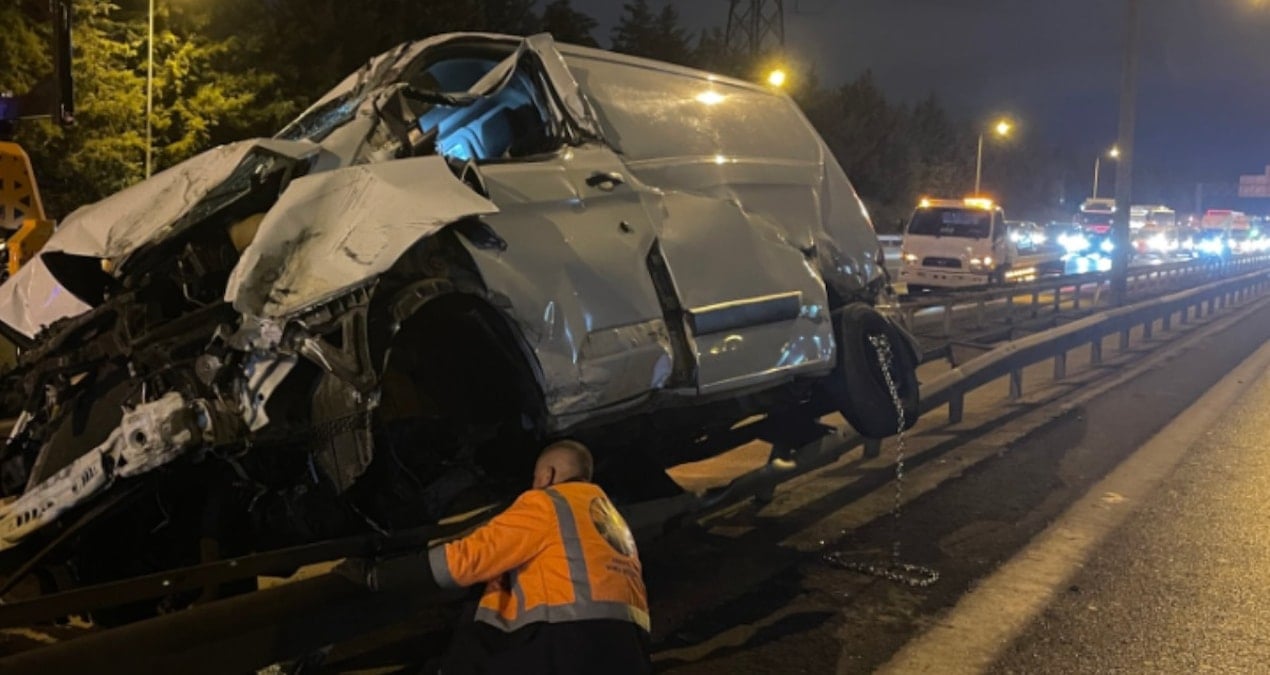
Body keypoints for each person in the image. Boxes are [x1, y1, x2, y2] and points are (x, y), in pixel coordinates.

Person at [343, 440, 651, 674]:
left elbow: (472, 557)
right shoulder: (608, 516)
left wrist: (379, 576)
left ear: (548, 474)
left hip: (568, 643)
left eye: (535, 478)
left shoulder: (548, 502)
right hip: (627, 649)